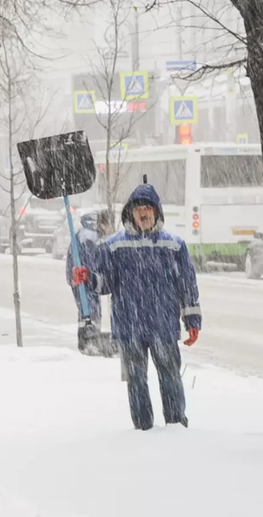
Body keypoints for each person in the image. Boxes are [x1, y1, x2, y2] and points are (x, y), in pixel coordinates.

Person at [73, 184, 201, 430]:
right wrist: (88, 277)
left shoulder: (174, 246)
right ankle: (143, 428)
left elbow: (187, 286)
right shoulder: (114, 247)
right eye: (139, 208)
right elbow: (105, 283)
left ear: (157, 212)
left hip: (163, 326)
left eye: (148, 208)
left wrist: (192, 321)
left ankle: (176, 425)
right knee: (136, 380)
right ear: (130, 213)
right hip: (129, 326)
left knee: (171, 377)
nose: (143, 213)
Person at [64, 211, 104, 354]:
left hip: (79, 280)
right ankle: (89, 340)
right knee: (91, 310)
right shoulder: (89, 238)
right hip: (85, 280)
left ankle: (86, 337)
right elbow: (92, 262)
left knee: (85, 310)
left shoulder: (80, 236)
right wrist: (93, 276)